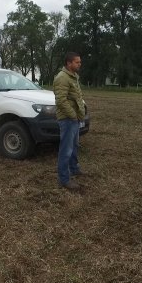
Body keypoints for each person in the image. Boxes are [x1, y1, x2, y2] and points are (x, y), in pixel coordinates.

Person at [53, 52, 86, 190]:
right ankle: (64, 179)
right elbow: (61, 100)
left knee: (74, 146)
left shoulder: (73, 77)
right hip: (67, 119)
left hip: (74, 119)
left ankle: (74, 168)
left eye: (79, 62)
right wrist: (72, 115)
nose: (79, 64)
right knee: (66, 150)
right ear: (69, 63)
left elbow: (76, 97)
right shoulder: (62, 78)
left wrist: (78, 115)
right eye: (77, 62)